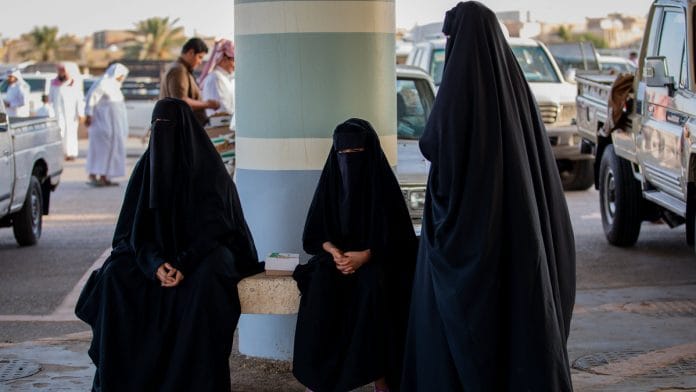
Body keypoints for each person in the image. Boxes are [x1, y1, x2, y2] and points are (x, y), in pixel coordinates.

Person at [401, 2, 576, 391]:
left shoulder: (460, 99)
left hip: (467, 254)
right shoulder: (516, 95)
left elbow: (436, 144)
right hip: (516, 246)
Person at [75, 98, 264, 391]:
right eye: (158, 128)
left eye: (170, 128)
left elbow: (221, 230)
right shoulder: (145, 171)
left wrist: (183, 262)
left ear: (186, 130)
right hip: (155, 259)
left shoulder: (209, 172)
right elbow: (130, 233)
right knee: (114, 277)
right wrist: (154, 265)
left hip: (200, 258)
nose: (165, 136)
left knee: (210, 282)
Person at [293, 119, 418, 392]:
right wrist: (332, 250)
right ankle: (320, 378)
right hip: (337, 261)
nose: (349, 162)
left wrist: (366, 255)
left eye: (356, 155)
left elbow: (400, 241)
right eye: (343, 155)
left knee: (375, 289)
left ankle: (381, 378)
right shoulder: (331, 182)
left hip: (379, 261)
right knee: (321, 286)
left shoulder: (382, 187)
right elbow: (314, 234)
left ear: (369, 154)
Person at [84, 63, 129, 187]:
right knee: (99, 151)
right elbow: (91, 99)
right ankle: (93, 175)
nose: (122, 78)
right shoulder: (103, 83)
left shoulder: (115, 87)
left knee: (110, 151)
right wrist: (89, 115)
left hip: (113, 127)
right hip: (101, 124)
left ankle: (105, 177)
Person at [160, 38, 219, 126]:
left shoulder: (181, 69)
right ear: (191, 52)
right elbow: (181, 102)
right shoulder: (179, 70)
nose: (200, 62)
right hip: (179, 129)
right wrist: (208, 104)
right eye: (200, 57)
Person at [50, 62, 85, 160]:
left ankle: (71, 153)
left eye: (63, 71)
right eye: (60, 71)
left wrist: (81, 113)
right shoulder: (54, 83)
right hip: (58, 113)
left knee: (71, 133)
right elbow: (50, 100)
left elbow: (80, 99)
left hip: (72, 114)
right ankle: (60, 153)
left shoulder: (74, 84)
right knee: (60, 132)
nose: (61, 73)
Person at [199, 39, 235, 118]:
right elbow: (222, 110)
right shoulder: (215, 78)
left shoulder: (226, 78)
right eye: (233, 60)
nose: (235, 65)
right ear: (224, 59)